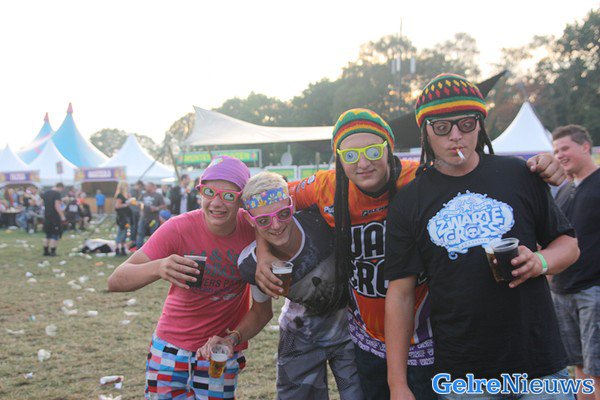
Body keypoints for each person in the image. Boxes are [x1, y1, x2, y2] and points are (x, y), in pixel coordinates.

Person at [254, 107, 566, 399]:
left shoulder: (418, 180)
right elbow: (264, 202)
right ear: (338, 157)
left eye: (373, 151)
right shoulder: (326, 185)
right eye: (350, 155)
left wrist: (540, 166)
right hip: (367, 338)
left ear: (389, 148)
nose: (362, 163)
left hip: (428, 336)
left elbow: (473, 176)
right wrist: (264, 251)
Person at [384, 73, 580, 400]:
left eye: (466, 124)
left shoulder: (519, 174)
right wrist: (397, 384)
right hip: (464, 372)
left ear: (480, 125)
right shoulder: (409, 201)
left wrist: (540, 262)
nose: (455, 136)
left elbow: (569, 244)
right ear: (426, 132)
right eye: (441, 127)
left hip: (538, 362)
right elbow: (400, 295)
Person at [108, 156, 268, 399]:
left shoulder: (253, 232)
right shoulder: (178, 228)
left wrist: (232, 339)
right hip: (170, 348)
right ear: (200, 192)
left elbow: (262, 311)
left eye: (228, 196)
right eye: (209, 192)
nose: (216, 203)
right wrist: (158, 267)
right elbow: (116, 280)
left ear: (242, 199)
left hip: (219, 351)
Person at [232, 171, 363, 399]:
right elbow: (261, 312)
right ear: (250, 220)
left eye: (283, 214)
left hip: (352, 331)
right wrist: (233, 337)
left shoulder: (321, 221)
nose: (275, 225)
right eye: (263, 220)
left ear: (292, 205)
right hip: (300, 337)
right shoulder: (251, 264)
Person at [551, 125, 600, 400]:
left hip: (594, 291)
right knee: (578, 367)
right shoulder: (563, 190)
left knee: (597, 370)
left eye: (565, 148)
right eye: (556, 150)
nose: (559, 155)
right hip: (562, 291)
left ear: (585, 147)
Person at [135, 182, 165, 249]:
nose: (146, 187)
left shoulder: (158, 195)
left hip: (153, 219)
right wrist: (140, 206)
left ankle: (152, 249)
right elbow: (139, 203)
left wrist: (157, 208)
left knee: (153, 235)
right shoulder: (143, 194)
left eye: (147, 186)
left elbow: (163, 205)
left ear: (152, 187)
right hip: (143, 218)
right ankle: (138, 249)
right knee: (140, 233)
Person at [42, 182, 66, 256]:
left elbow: (42, 203)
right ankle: (53, 252)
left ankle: (46, 251)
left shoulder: (45, 193)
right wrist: (62, 216)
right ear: (60, 187)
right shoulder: (56, 194)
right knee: (55, 234)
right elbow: (57, 206)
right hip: (54, 217)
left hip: (46, 216)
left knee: (47, 235)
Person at [114, 181, 132, 256]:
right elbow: (117, 206)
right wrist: (127, 204)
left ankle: (122, 248)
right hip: (122, 218)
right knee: (121, 232)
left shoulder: (125, 195)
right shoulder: (120, 196)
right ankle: (117, 249)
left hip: (126, 218)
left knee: (124, 232)